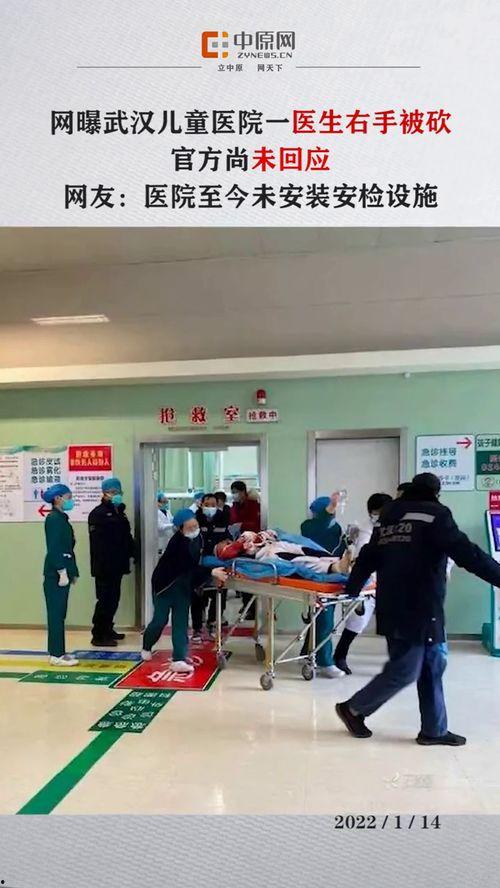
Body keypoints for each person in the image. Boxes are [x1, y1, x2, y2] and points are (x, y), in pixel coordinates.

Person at [336, 472, 500, 746]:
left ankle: (434, 730)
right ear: (435, 493)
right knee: (406, 669)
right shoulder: (436, 515)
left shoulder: (389, 517)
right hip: (422, 606)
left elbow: (367, 557)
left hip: (393, 604)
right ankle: (353, 709)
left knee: (432, 664)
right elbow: (469, 554)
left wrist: (352, 589)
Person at [141, 508, 226, 670]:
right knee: (160, 620)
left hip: (184, 587)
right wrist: (210, 572)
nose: (194, 529)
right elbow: (188, 565)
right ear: (180, 529)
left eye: (196, 526)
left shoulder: (199, 538)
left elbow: (203, 557)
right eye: (190, 527)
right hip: (165, 586)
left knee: (180, 622)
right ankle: (147, 645)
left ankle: (178, 659)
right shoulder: (177, 544)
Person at [333, 493, 393, 674]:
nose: (375, 516)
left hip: (391, 581)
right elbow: (362, 553)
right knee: (357, 621)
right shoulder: (367, 528)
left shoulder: (398, 525)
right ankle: (340, 656)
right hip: (369, 581)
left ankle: (396, 662)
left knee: (392, 624)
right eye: (373, 512)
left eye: (379, 512)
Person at [300, 493, 347, 678]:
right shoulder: (308, 526)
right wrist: (330, 508)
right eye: (329, 510)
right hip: (318, 574)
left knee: (319, 619)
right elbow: (321, 526)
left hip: (333, 574)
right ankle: (324, 662)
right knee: (325, 620)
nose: (333, 513)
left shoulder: (336, 527)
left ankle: (308, 652)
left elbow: (339, 548)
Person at [88, 477, 136, 647]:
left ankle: (108, 629)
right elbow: (100, 544)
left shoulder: (119, 512)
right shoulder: (98, 514)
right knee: (104, 601)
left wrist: (133, 553)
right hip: (104, 566)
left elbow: (126, 537)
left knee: (114, 600)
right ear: (105, 493)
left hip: (118, 565)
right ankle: (98, 634)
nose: (117, 495)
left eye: (119, 492)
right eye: (113, 492)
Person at [42, 483, 79, 667]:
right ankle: (55, 654)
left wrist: (72, 571)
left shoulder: (61, 518)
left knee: (60, 613)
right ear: (58, 498)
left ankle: (60, 651)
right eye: (68, 497)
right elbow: (54, 547)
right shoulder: (53, 519)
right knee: (55, 614)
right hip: (55, 574)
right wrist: (61, 571)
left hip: (63, 571)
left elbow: (68, 547)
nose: (70, 501)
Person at [195, 494, 231, 636]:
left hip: (218, 561)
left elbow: (228, 537)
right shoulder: (196, 519)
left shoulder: (223, 519)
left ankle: (213, 620)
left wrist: (227, 542)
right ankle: (198, 625)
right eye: (207, 505)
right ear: (201, 505)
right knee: (199, 593)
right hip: (201, 561)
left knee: (219, 592)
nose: (210, 508)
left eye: (213, 505)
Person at [230, 481, 261, 618]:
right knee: (241, 576)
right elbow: (232, 520)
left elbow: (256, 524)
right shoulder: (235, 506)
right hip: (238, 543)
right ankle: (246, 604)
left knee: (249, 576)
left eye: (236, 492)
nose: (234, 495)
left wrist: (242, 525)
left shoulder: (253, 505)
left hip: (251, 544)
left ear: (243, 491)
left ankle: (251, 607)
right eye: (232, 492)